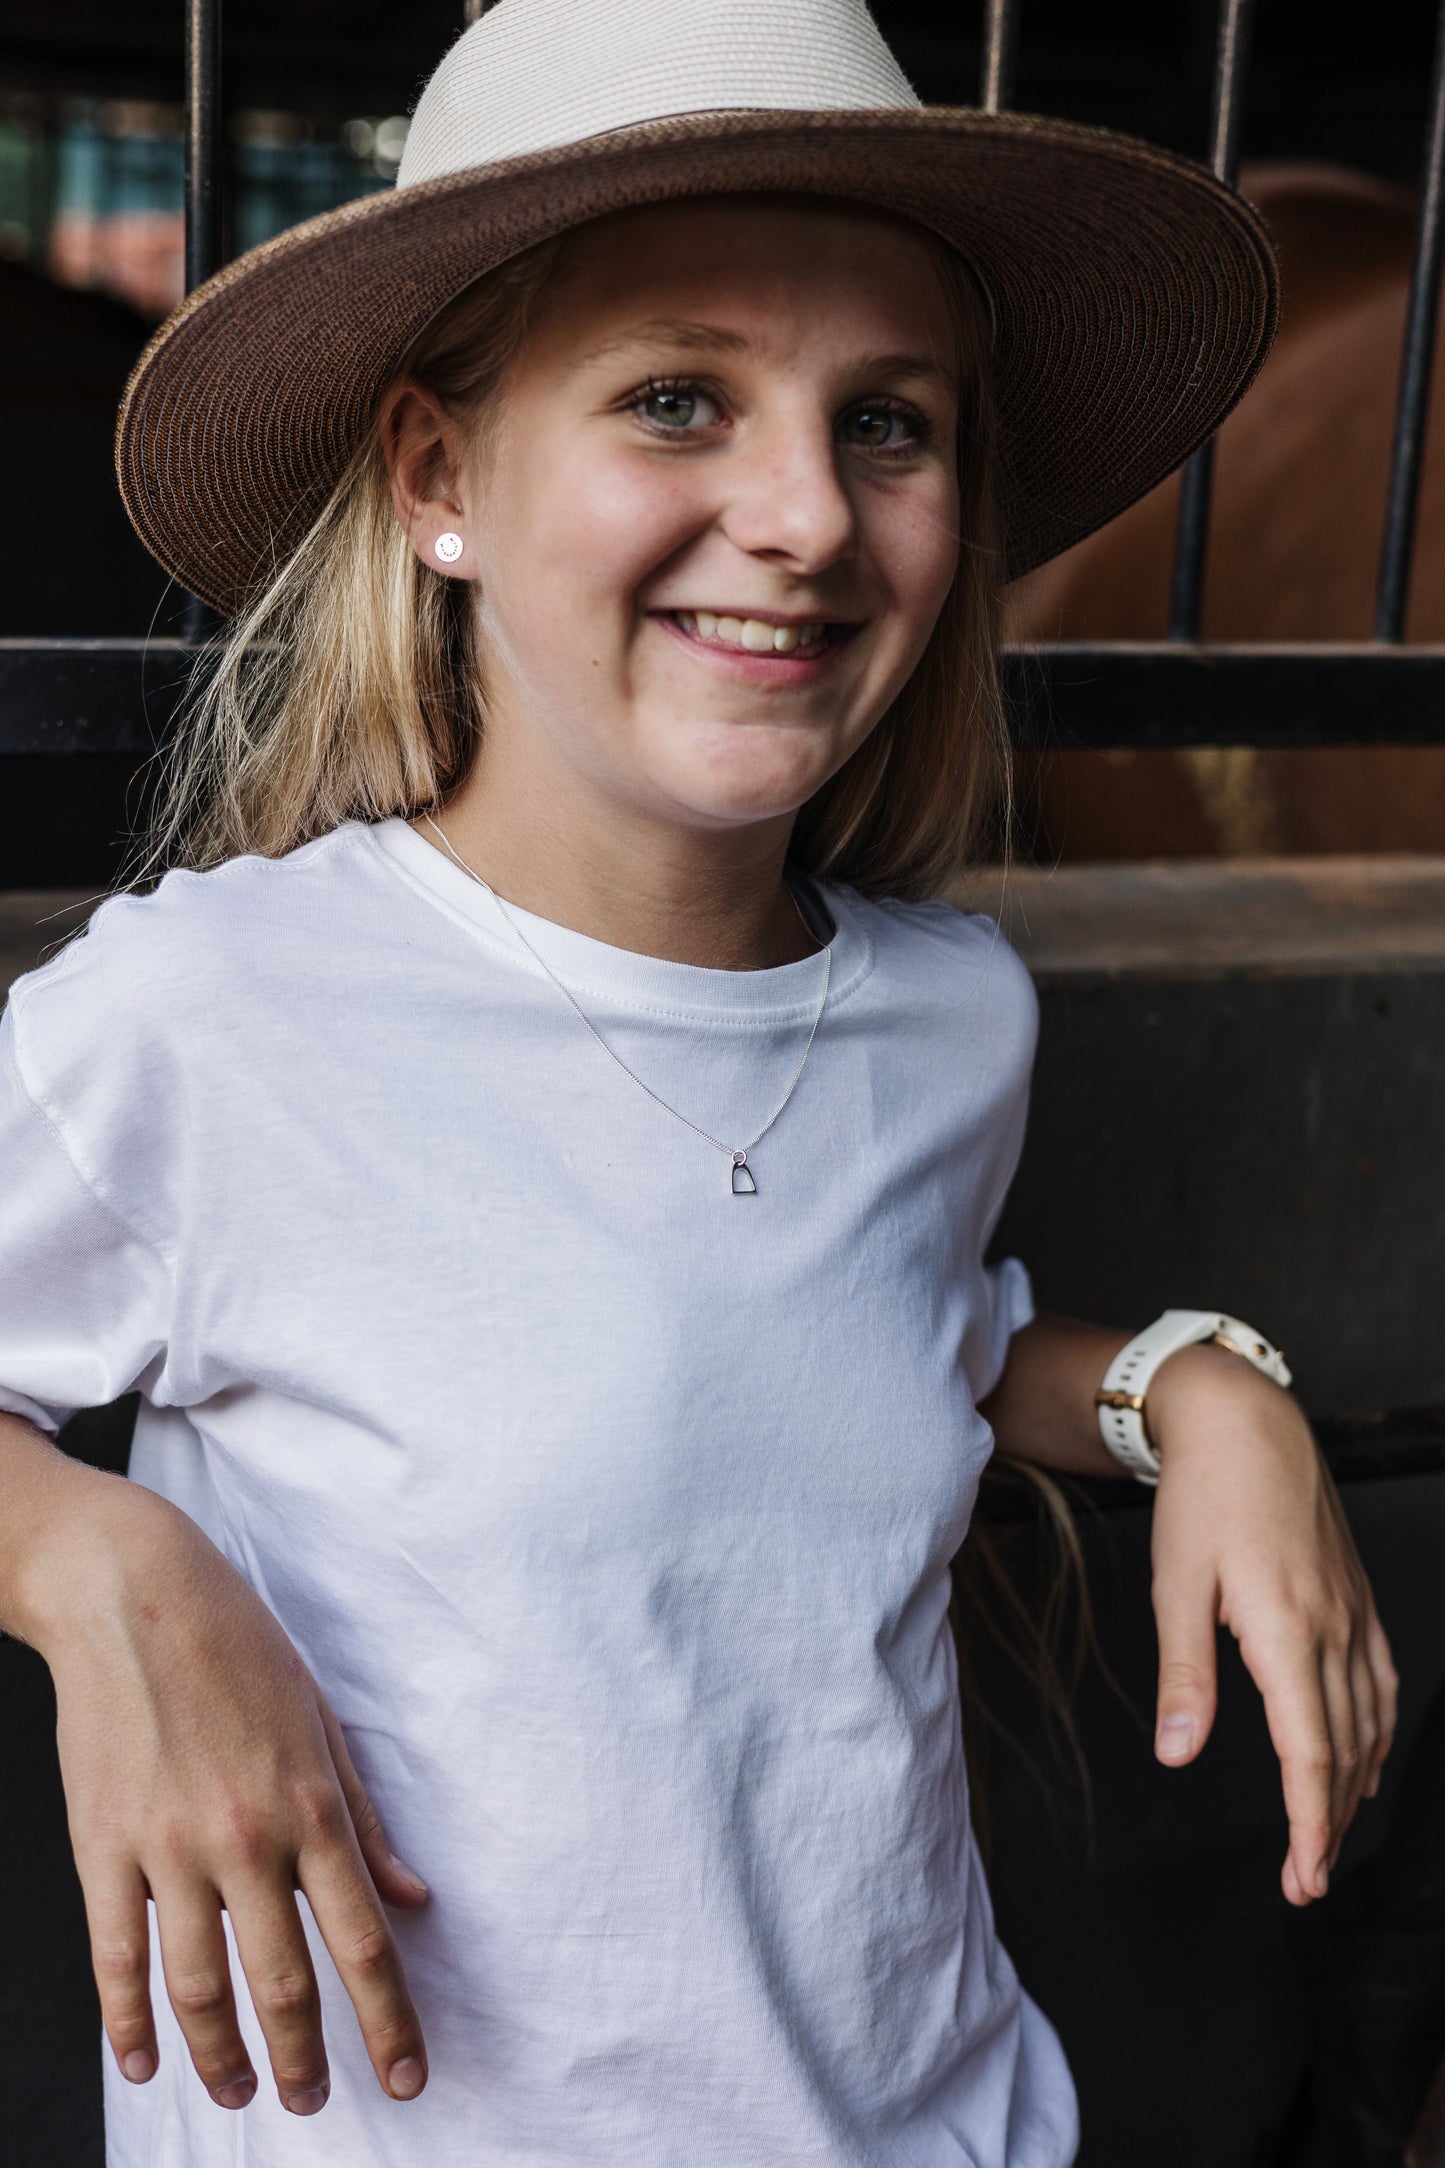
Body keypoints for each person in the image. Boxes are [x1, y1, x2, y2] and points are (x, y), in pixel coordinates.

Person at [0, 2, 1397, 2162]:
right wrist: (94, 1563)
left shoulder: (952, 1019)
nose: (806, 516)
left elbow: (877, 1333)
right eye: (679, 399)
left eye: (893, 426)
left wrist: (1202, 1387)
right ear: (437, 477)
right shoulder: (215, 1017)